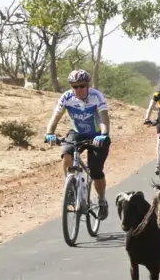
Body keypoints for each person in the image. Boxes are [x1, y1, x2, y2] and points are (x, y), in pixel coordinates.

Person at [45, 69, 111, 221]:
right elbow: (56, 115)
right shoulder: (67, 97)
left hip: (97, 135)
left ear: (87, 85)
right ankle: (70, 188)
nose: (78, 89)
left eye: (81, 86)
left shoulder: (96, 96)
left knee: (95, 171)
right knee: (67, 154)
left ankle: (101, 200)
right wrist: (49, 133)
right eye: (75, 86)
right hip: (77, 133)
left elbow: (103, 118)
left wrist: (103, 134)